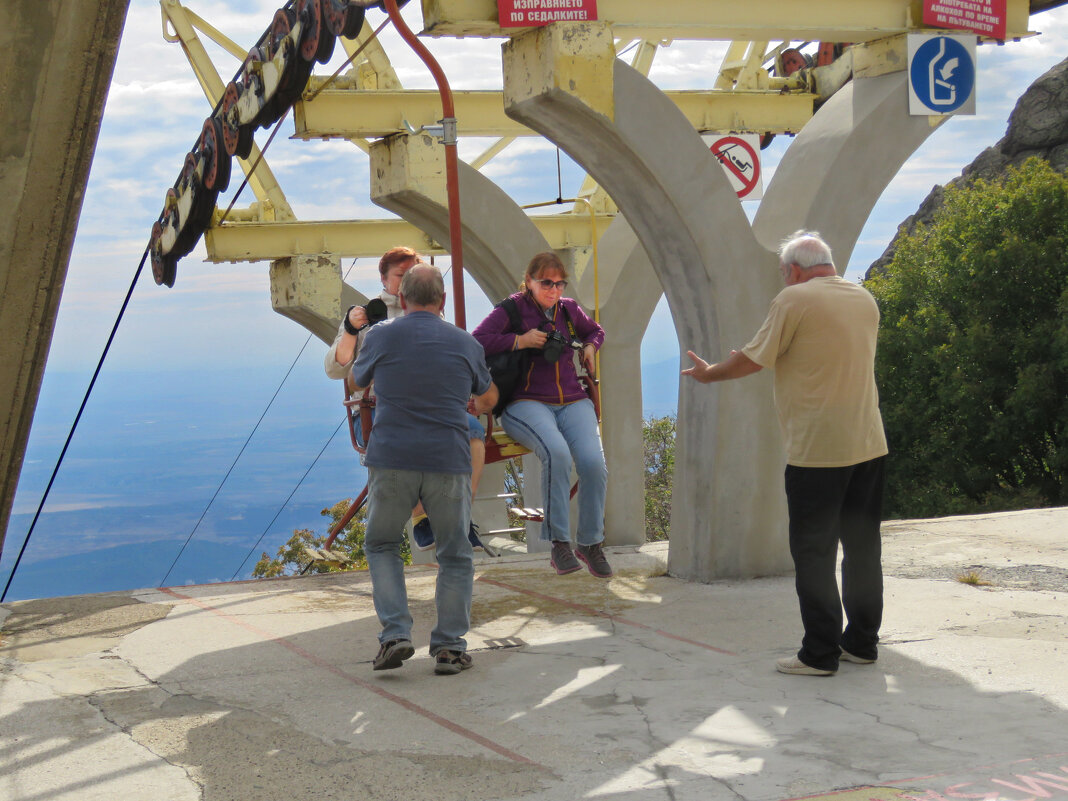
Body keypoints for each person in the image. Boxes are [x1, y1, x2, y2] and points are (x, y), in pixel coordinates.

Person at [682, 230, 887, 677]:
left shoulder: (794, 301)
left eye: (783, 274)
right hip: (869, 442)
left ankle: (818, 654)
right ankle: (863, 643)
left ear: (794, 269)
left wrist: (710, 373)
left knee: (813, 553)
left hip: (817, 450)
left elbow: (754, 360)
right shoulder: (863, 298)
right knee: (862, 547)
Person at [350, 263, 497, 674]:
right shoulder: (465, 343)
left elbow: (357, 379)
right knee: (455, 553)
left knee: (381, 545)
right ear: (443, 300)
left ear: (403, 298)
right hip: (447, 459)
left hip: (392, 456)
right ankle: (449, 648)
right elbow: (484, 396)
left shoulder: (381, 335)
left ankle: (395, 634)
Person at [325, 246, 491, 553]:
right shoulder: (370, 318)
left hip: (434, 405)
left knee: (474, 434)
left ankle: (462, 515)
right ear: (385, 280)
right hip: (380, 408)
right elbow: (336, 369)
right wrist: (351, 330)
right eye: (402, 276)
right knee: (403, 437)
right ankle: (420, 519)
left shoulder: (434, 316)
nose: (408, 282)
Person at [472, 252, 611, 578]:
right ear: (530, 281)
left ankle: (591, 543)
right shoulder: (511, 309)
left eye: (559, 283)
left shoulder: (568, 309)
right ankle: (560, 543)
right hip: (525, 402)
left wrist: (591, 346)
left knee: (594, 464)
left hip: (573, 400)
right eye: (546, 283)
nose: (553, 289)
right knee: (557, 454)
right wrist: (518, 341)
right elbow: (476, 341)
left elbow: (595, 331)